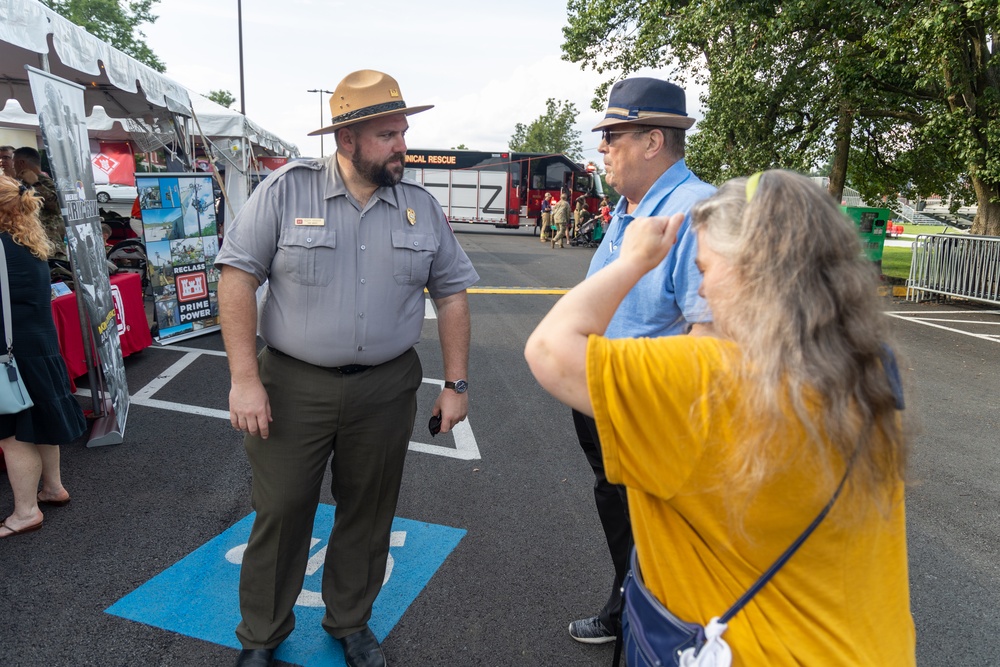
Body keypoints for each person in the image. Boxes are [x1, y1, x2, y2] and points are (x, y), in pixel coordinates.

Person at [525, 169, 915, 664]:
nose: (702, 292)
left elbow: (549, 350)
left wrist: (634, 261)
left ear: (752, 267)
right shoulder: (866, 367)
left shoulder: (707, 382)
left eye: (706, 269)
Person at [215, 69, 478, 667]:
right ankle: (262, 635)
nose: (401, 146)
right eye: (388, 135)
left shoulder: (420, 208)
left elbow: (453, 294)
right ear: (348, 139)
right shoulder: (286, 192)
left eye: (402, 133)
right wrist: (244, 379)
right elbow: (236, 276)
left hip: (386, 388)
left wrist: (455, 383)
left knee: (369, 508)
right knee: (281, 510)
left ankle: (350, 621)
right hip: (292, 385)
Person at [561, 77, 717, 645]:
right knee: (618, 506)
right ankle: (627, 602)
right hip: (605, 398)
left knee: (662, 528)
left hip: (653, 410)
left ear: (653, 142)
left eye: (612, 135)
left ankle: (658, 628)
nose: (601, 147)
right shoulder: (630, 208)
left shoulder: (695, 213)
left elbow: (711, 340)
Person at [0, 176, 87, 538]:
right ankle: (52, 488)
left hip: (12, 354)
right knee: (39, 426)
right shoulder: (26, 243)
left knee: (14, 436)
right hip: (37, 346)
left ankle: (26, 512)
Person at [12, 147, 66, 259]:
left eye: (14, 163)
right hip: (31, 243)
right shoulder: (21, 184)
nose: (13, 167)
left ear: (21, 163)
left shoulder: (47, 183)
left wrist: (35, 184)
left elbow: (56, 207)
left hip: (50, 246)